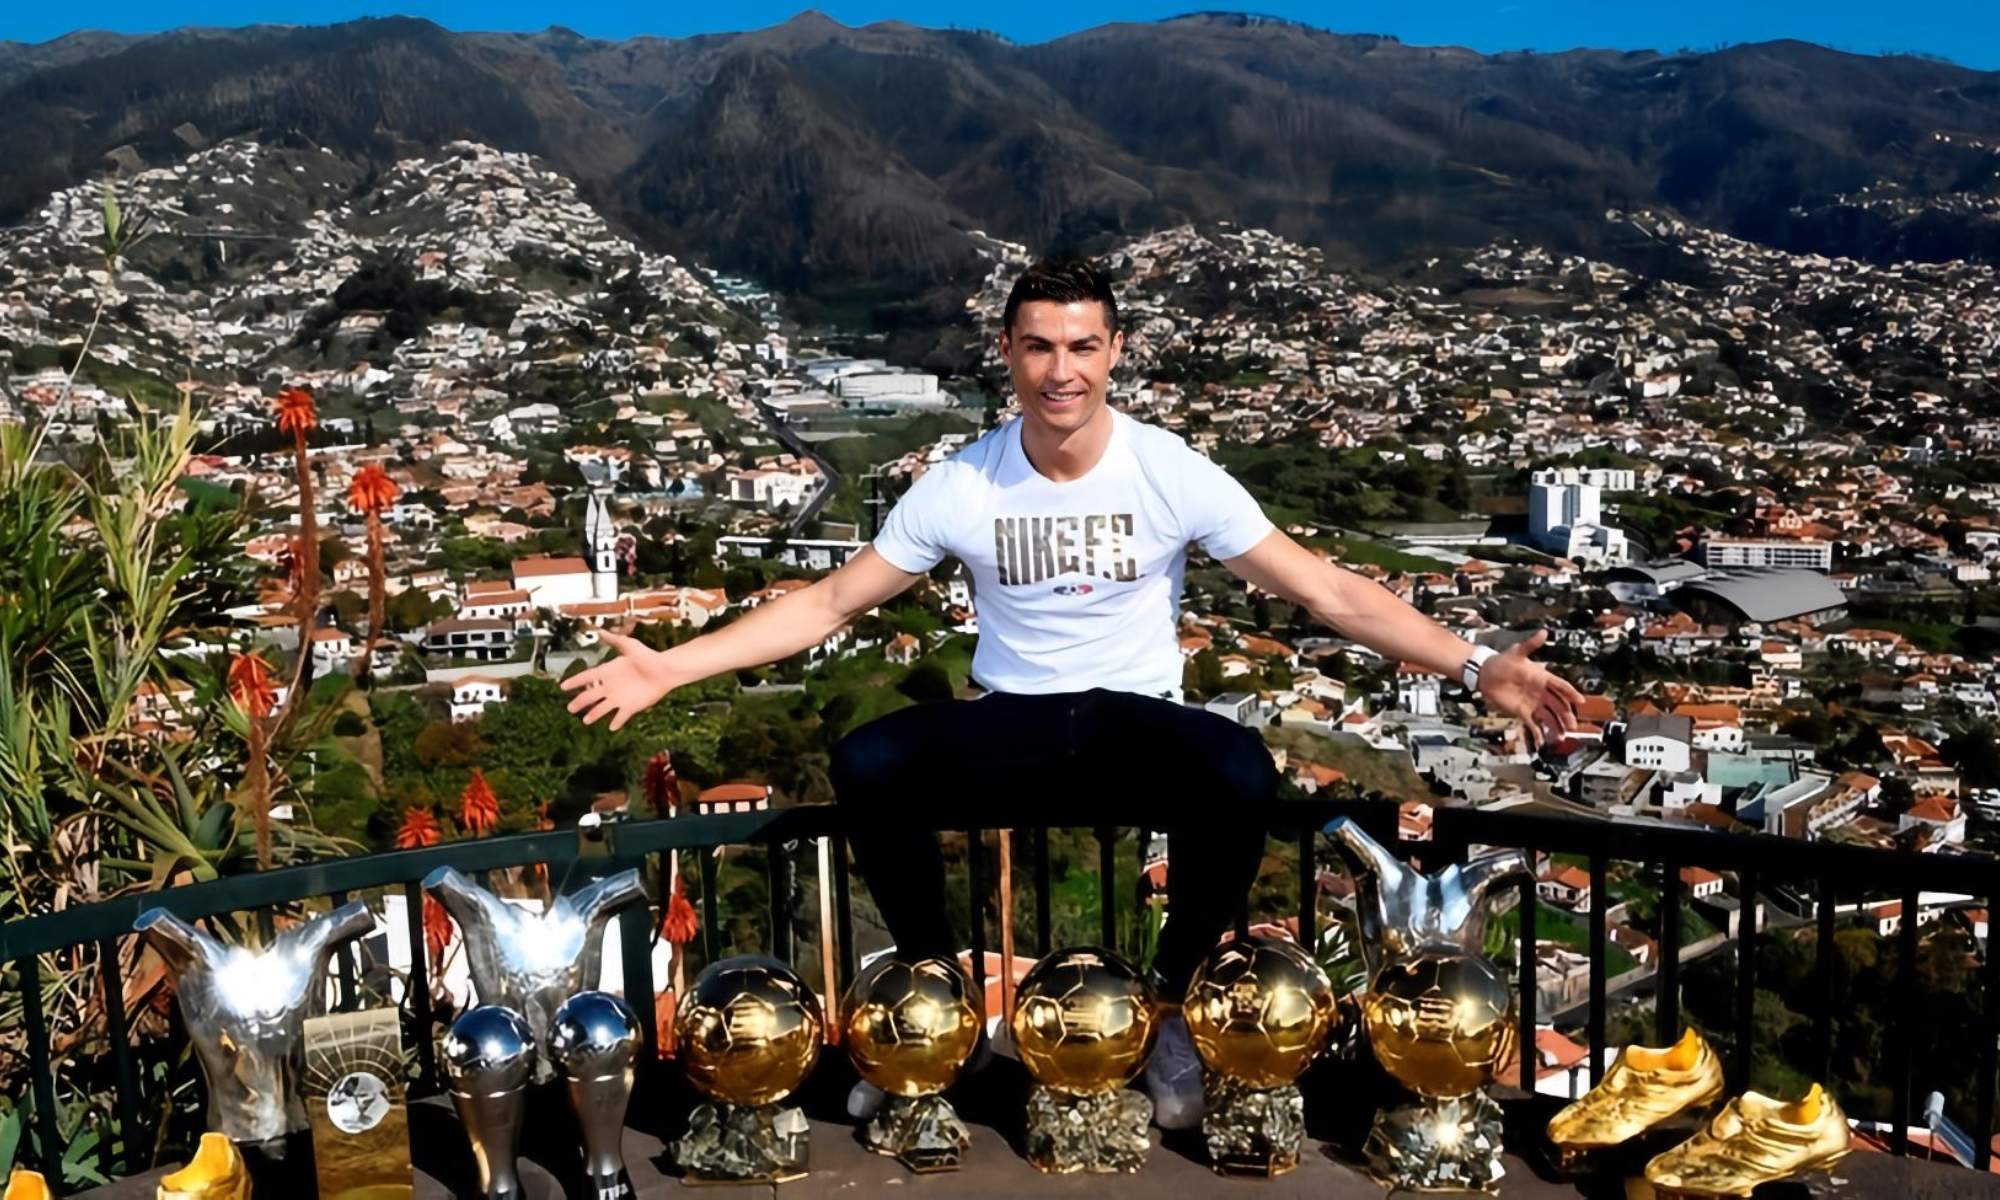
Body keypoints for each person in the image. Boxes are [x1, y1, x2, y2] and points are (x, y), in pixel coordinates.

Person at [563, 257, 1584, 1128]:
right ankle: (935, 1000)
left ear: (1114, 352)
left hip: (1131, 718)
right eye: (1040, 347)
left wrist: (1470, 663)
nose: (1061, 370)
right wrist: (670, 664)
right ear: (1008, 353)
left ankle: (1176, 1009)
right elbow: (831, 601)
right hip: (1009, 719)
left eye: (1081, 346)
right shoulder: (962, 481)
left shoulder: (1168, 471)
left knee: (1236, 768)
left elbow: (1318, 586)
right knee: (867, 761)